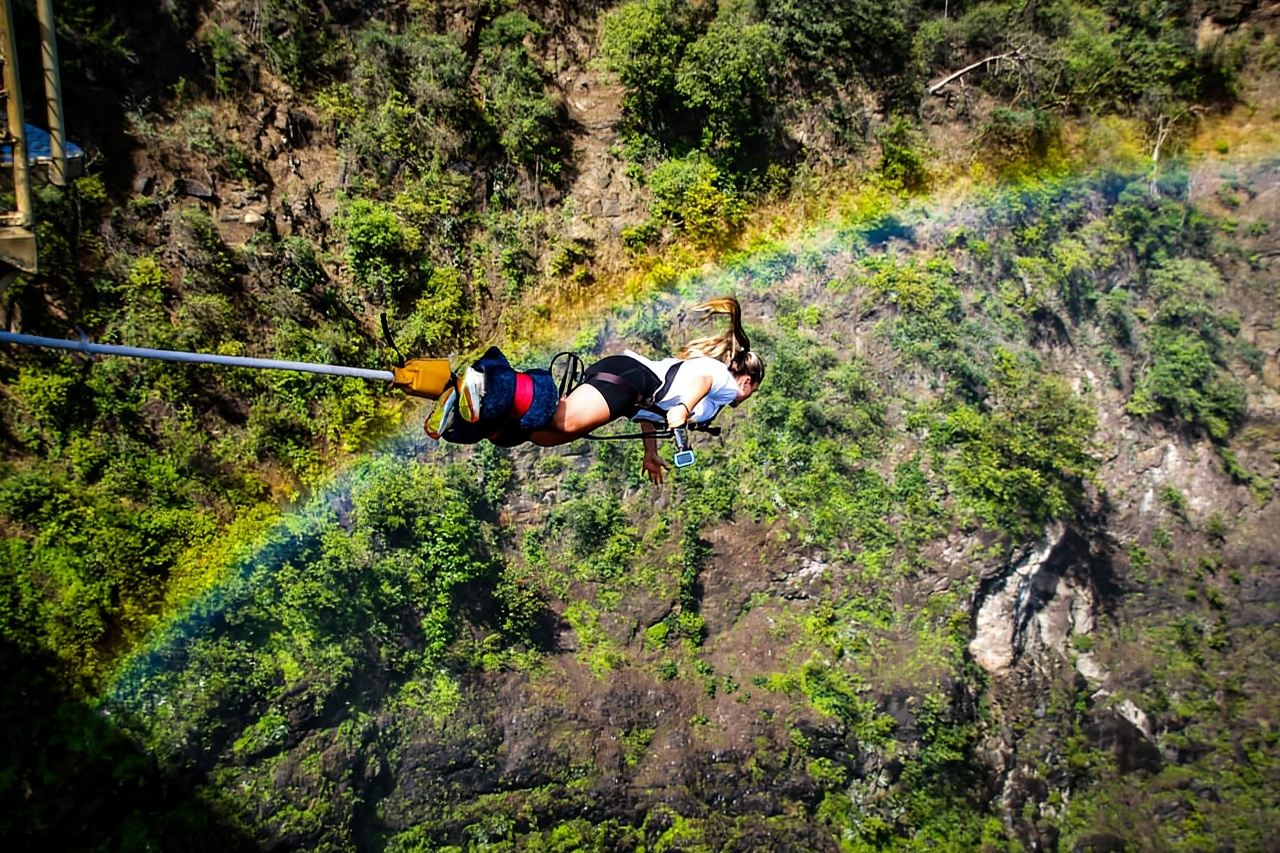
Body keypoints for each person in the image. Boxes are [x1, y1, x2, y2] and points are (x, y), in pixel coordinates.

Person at [431, 297, 765, 483]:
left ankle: (465, 415)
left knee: (542, 434)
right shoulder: (721, 379)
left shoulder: (714, 399)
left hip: (630, 388)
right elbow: (701, 379)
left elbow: (651, 414)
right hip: (630, 380)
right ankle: (493, 383)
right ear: (747, 383)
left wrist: (650, 452)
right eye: (750, 391)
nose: (745, 397)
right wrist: (684, 409)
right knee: (563, 420)